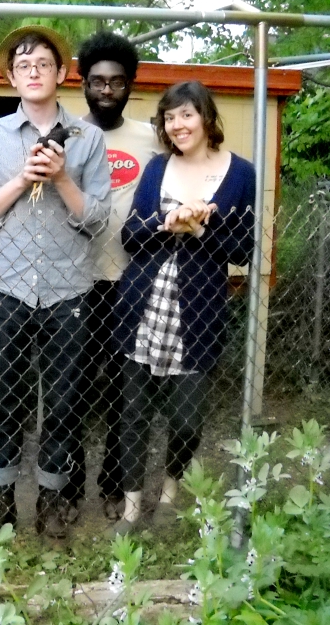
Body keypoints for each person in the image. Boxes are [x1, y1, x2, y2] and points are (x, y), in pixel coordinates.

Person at [0, 26, 111, 539]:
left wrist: (64, 178)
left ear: (61, 73)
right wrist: (22, 180)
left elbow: (97, 219)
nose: (33, 71)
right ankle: (1, 498)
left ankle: (50, 499)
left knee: (65, 401)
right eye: (23, 65)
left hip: (68, 287)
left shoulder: (88, 139)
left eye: (43, 64)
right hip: (5, 286)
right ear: (11, 77)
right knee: (2, 397)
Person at [109, 81, 255, 535]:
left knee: (187, 420)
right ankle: (133, 508)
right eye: (170, 117)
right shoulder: (156, 168)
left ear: (206, 118)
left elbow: (244, 249)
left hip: (199, 311)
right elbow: (130, 237)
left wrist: (198, 232)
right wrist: (165, 223)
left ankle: (170, 492)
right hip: (142, 307)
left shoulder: (240, 173)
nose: (177, 125)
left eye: (186, 115)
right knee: (132, 413)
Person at [65, 31, 161, 521]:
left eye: (116, 82)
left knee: (128, 391)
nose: (106, 90)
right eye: (97, 81)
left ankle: (114, 485)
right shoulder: (70, 135)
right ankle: (69, 487)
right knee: (75, 389)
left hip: (134, 279)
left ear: (130, 85)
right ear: (83, 83)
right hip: (79, 280)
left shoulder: (150, 137)